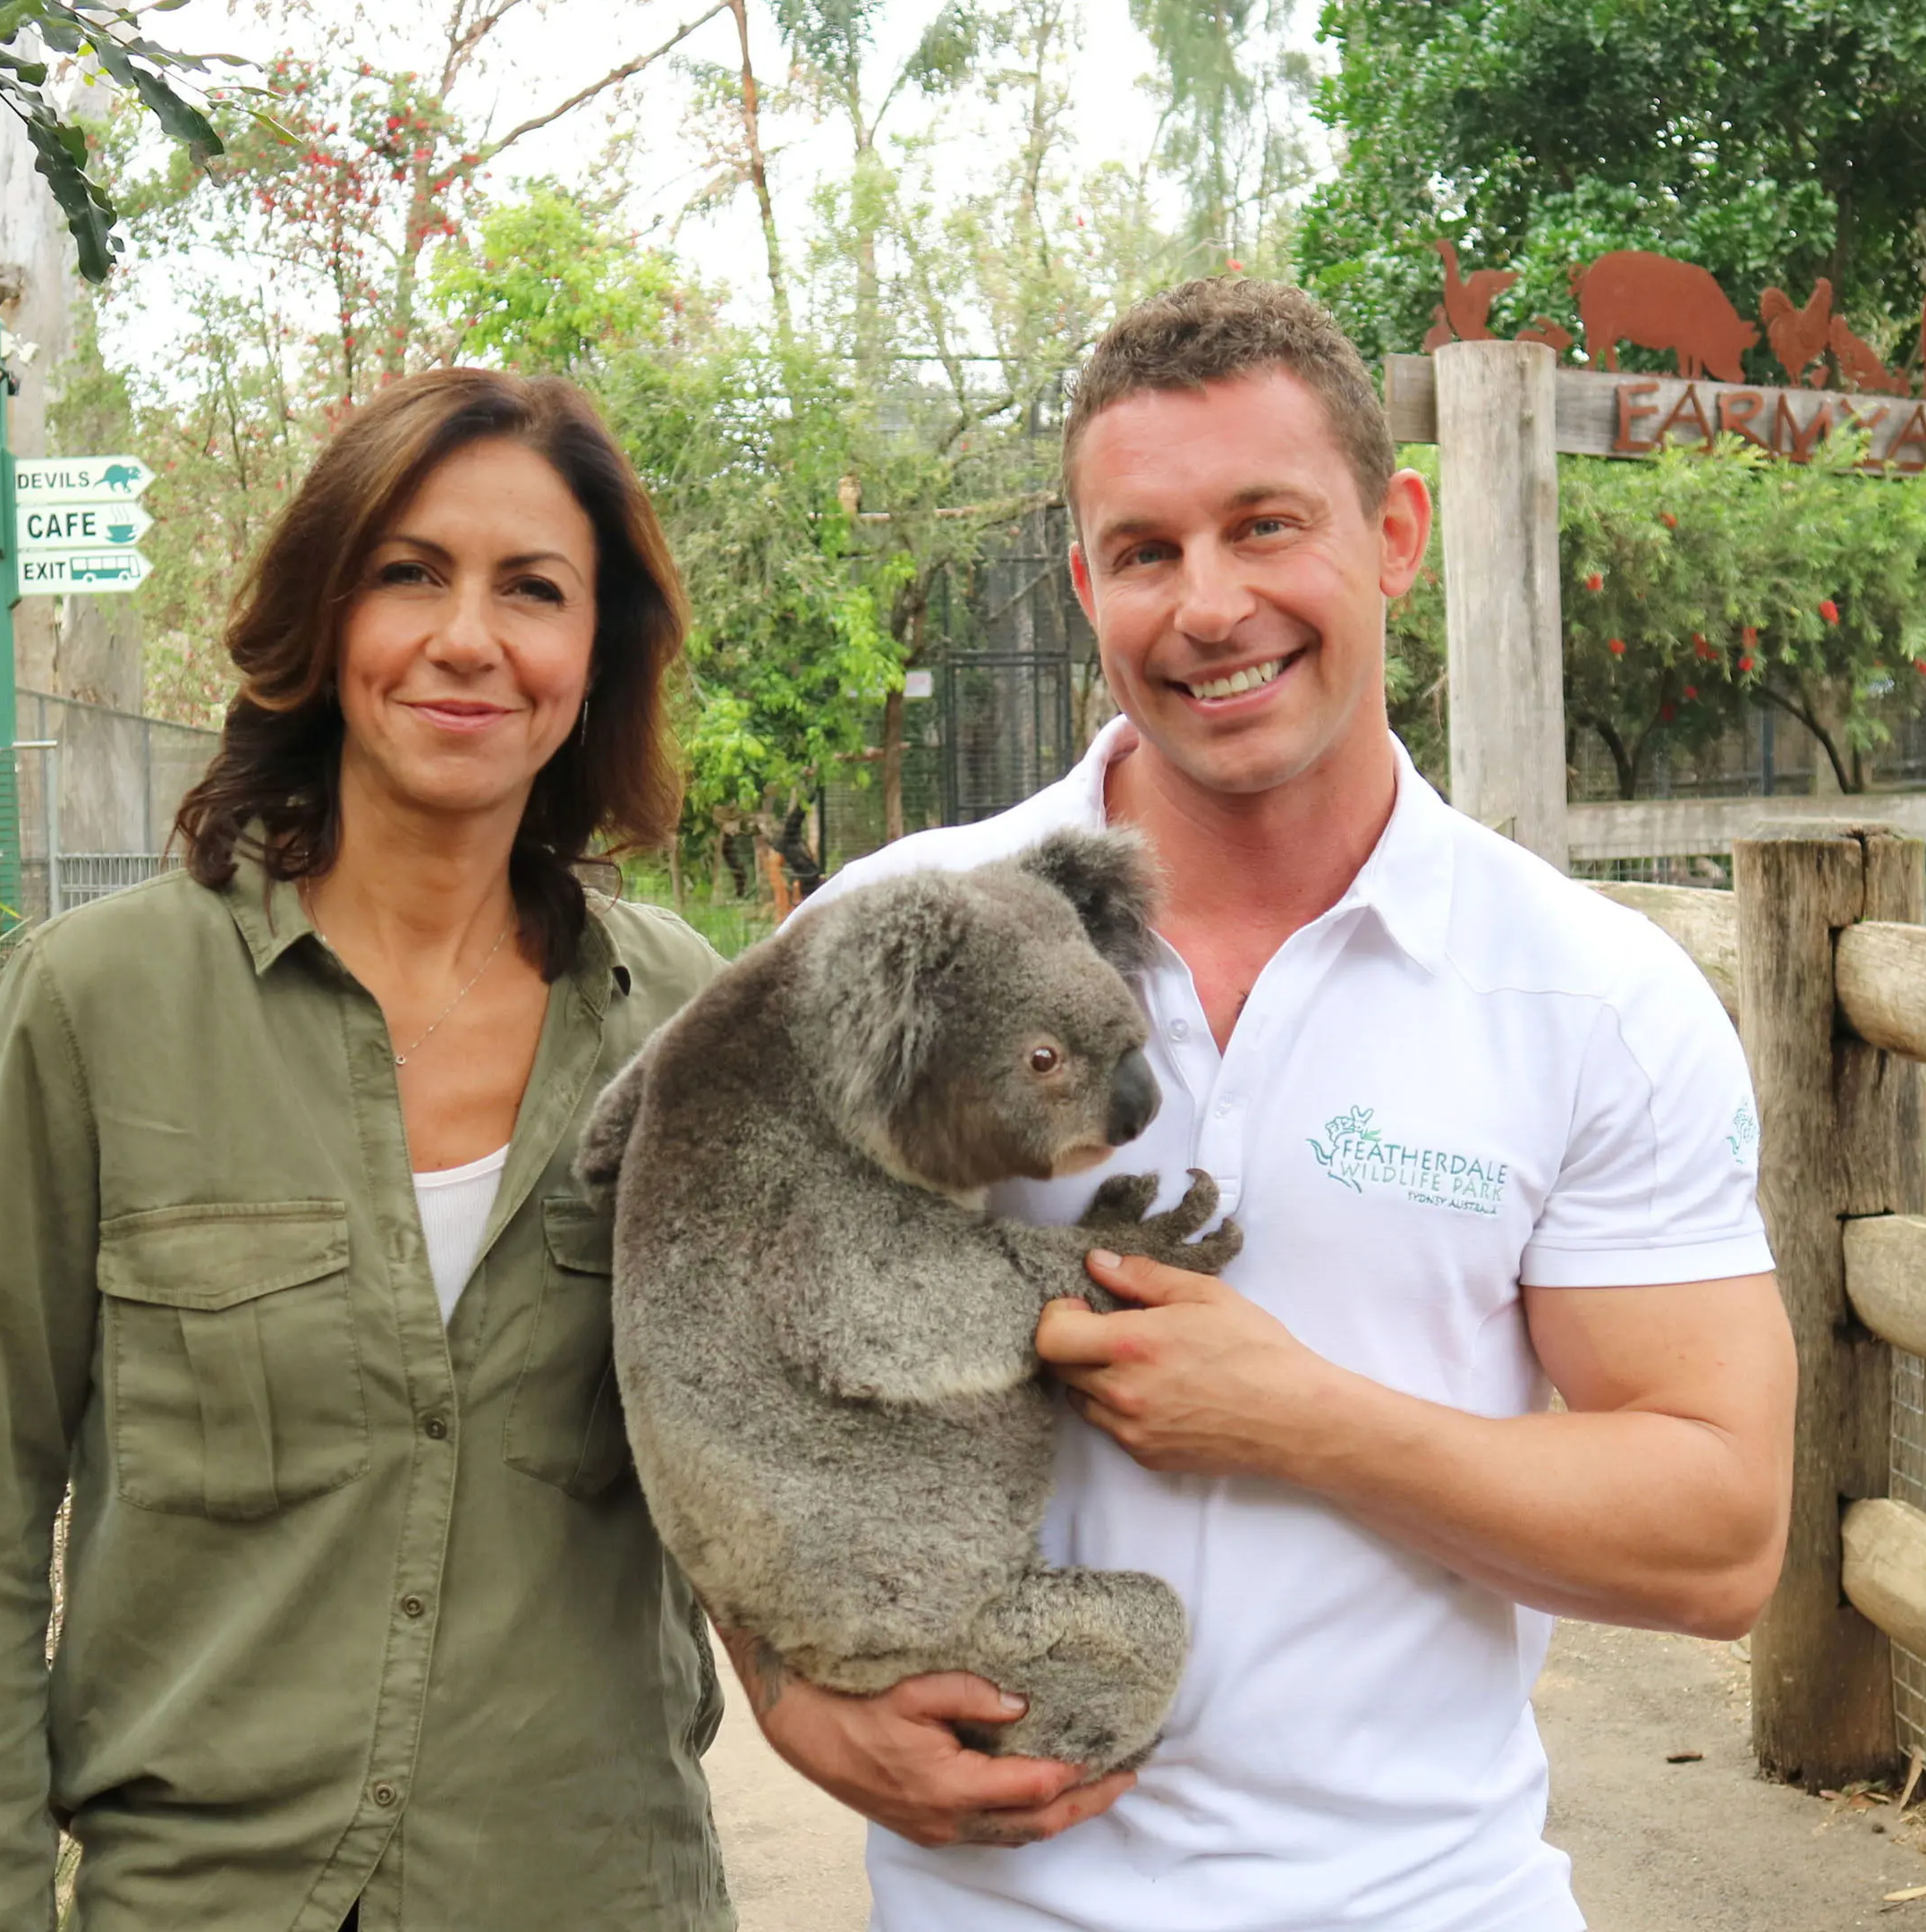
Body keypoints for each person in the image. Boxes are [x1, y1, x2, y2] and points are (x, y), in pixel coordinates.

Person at [758, 277, 1797, 1929]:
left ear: (1395, 535)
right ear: (1085, 583)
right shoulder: (902, 940)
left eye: (1265, 526)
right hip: (992, 1900)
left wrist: (1300, 1418)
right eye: (1146, 551)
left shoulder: (1587, 996)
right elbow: (705, 1323)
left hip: (1432, 1898)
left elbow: (1719, 1538)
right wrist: (784, 1690)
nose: (1209, 605)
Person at [0, 369, 734, 1930]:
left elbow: (777, 1421)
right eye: (410, 573)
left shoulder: (678, 1020)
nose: (468, 638)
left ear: (594, 654)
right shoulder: (98, 1006)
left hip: (591, 1884)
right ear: (327, 617)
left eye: (533, 589)